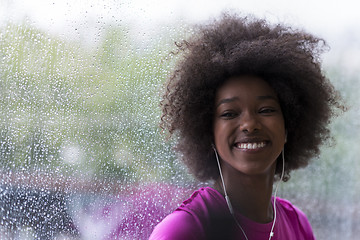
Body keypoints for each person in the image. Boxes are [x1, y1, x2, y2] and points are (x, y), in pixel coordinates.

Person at [149, 13, 343, 240]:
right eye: (229, 113)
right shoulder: (184, 230)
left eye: (266, 110)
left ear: (289, 125)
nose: (250, 124)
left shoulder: (297, 224)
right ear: (208, 132)